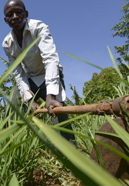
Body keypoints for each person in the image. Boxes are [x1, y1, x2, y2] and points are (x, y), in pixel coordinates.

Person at [3, 0, 76, 145]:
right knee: (11, 109)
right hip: (29, 78)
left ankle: (70, 151)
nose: (15, 16)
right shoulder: (7, 43)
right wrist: (29, 99)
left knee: (57, 111)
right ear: (6, 20)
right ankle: (9, 149)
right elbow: (18, 72)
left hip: (50, 74)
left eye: (19, 11)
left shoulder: (39, 27)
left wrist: (51, 95)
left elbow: (50, 59)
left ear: (26, 14)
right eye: (10, 14)